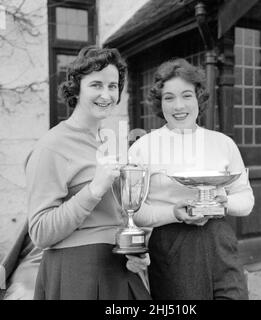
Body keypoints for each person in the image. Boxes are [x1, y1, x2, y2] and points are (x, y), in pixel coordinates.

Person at [25, 46, 151, 300]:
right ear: (76, 88)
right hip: (77, 273)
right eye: (96, 85)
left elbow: (121, 216)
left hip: (118, 270)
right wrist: (93, 190)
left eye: (113, 86)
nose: (106, 94)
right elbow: (40, 232)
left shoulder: (112, 143)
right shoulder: (52, 146)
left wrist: (134, 251)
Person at [129, 58, 254, 300]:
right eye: (169, 98)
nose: (179, 106)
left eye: (187, 95)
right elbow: (134, 211)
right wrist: (173, 213)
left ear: (199, 98)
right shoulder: (143, 148)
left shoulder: (223, 143)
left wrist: (224, 201)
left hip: (219, 240)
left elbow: (246, 199)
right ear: (159, 102)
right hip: (171, 246)